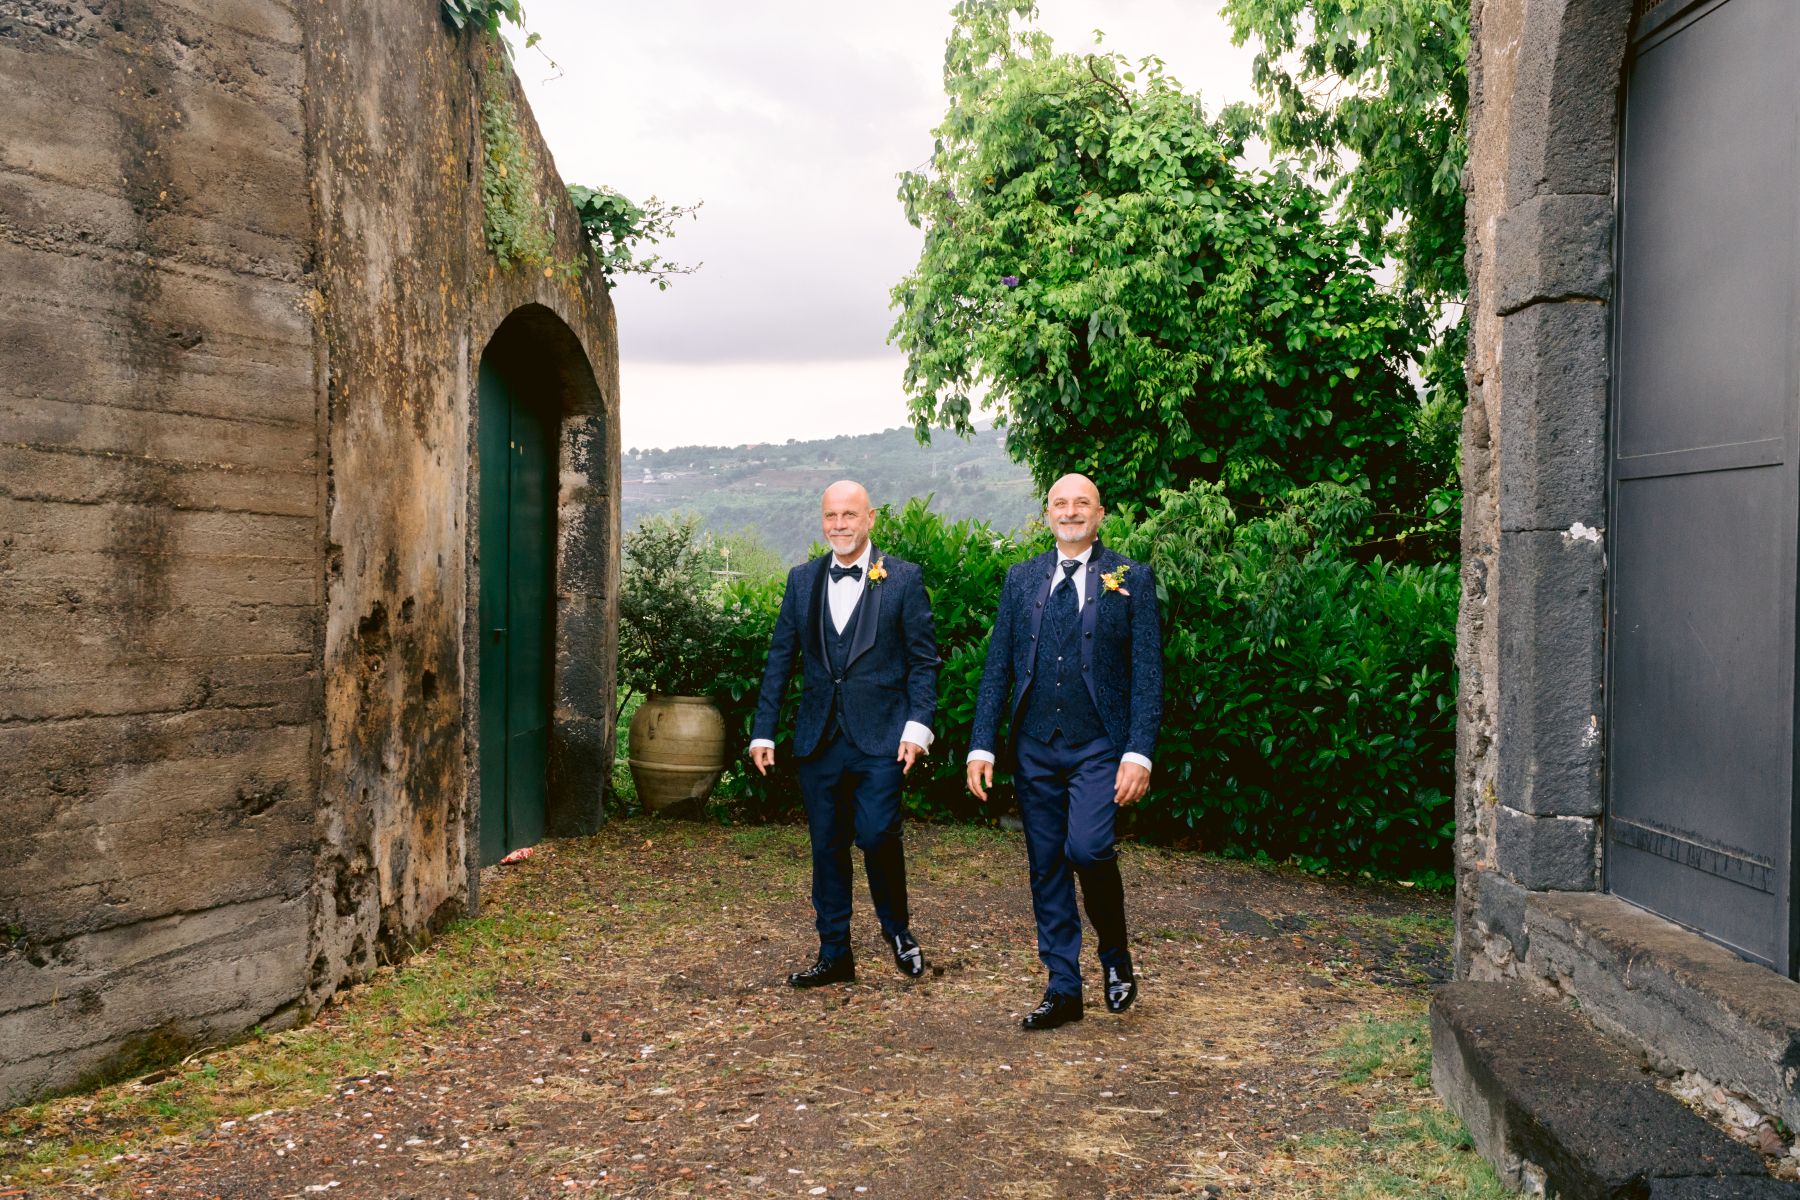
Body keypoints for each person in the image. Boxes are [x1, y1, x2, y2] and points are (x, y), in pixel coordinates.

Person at [966, 473, 1163, 1029]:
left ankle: (1115, 956)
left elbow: (1148, 674)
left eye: (1082, 504)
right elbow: (998, 668)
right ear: (1046, 514)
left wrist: (1139, 753)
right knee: (1046, 864)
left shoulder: (1132, 578)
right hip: (1033, 746)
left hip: (1100, 745)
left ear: (1100, 514)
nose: (1071, 512)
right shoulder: (1021, 578)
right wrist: (981, 744)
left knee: (1089, 848)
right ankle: (1063, 989)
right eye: (1060, 504)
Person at [750, 480, 940, 986]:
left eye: (850, 515)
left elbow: (924, 661)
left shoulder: (902, 578)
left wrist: (917, 727)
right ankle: (835, 953)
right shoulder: (802, 580)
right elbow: (779, 660)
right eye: (831, 516)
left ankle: (897, 929)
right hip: (818, 739)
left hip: (882, 737)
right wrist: (763, 731)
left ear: (870, 518)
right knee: (826, 845)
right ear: (822, 521)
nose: (840, 525)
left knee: (878, 834)